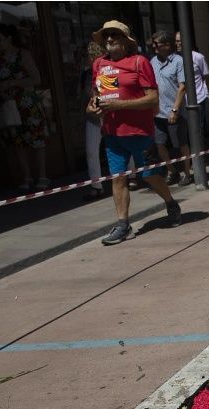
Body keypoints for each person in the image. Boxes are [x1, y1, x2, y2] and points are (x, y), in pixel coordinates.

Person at [88, 20, 181, 245]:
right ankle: (122, 224)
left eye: (115, 35)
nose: (109, 39)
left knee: (150, 176)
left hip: (139, 133)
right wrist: (92, 106)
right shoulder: (99, 64)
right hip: (111, 134)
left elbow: (152, 98)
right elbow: (98, 95)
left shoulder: (139, 62)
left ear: (126, 41)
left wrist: (119, 106)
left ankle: (170, 201)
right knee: (118, 179)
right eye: (107, 36)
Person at [0, 24, 50, 190]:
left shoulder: (23, 55)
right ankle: (27, 177)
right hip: (9, 104)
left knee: (36, 139)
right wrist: (1, 92)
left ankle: (42, 175)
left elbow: (36, 79)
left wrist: (13, 83)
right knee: (17, 142)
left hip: (27, 103)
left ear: (9, 38)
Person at [149, 32, 191, 186]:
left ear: (167, 45)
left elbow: (182, 87)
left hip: (174, 111)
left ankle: (187, 173)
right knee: (159, 144)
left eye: (157, 44)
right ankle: (172, 170)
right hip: (158, 112)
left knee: (181, 144)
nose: (154, 47)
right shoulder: (153, 61)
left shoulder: (178, 61)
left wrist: (175, 110)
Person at [81, 41, 106, 200]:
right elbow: (83, 95)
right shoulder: (85, 74)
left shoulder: (108, 71)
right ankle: (96, 185)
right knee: (91, 151)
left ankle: (129, 176)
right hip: (92, 117)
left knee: (119, 146)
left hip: (109, 114)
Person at [175, 32, 209, 138]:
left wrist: (203, 91)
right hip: (181, 100)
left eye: (179, 41)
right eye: (176, 41)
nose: (177, 44)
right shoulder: (175, 59)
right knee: (184, 128)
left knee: (197, 127)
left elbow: (207, 77)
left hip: (198, 98)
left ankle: (199, 152)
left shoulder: (198, 57)